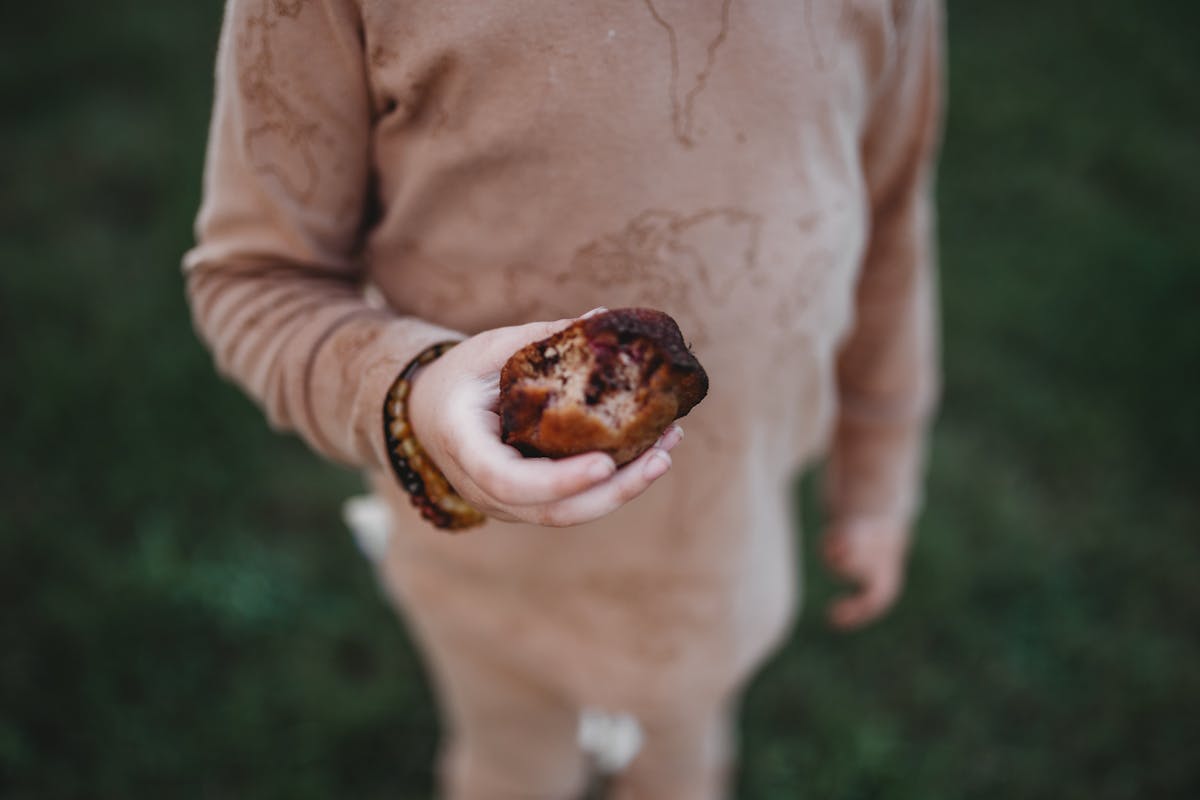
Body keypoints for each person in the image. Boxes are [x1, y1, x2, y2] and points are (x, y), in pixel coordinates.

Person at [184, 0, 943, 796]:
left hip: (720, 557)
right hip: (490, 587)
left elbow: (887, 221)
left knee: (680, 769)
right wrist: (414, 389)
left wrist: (878, 477)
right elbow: (258, 281)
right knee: (513, 773)